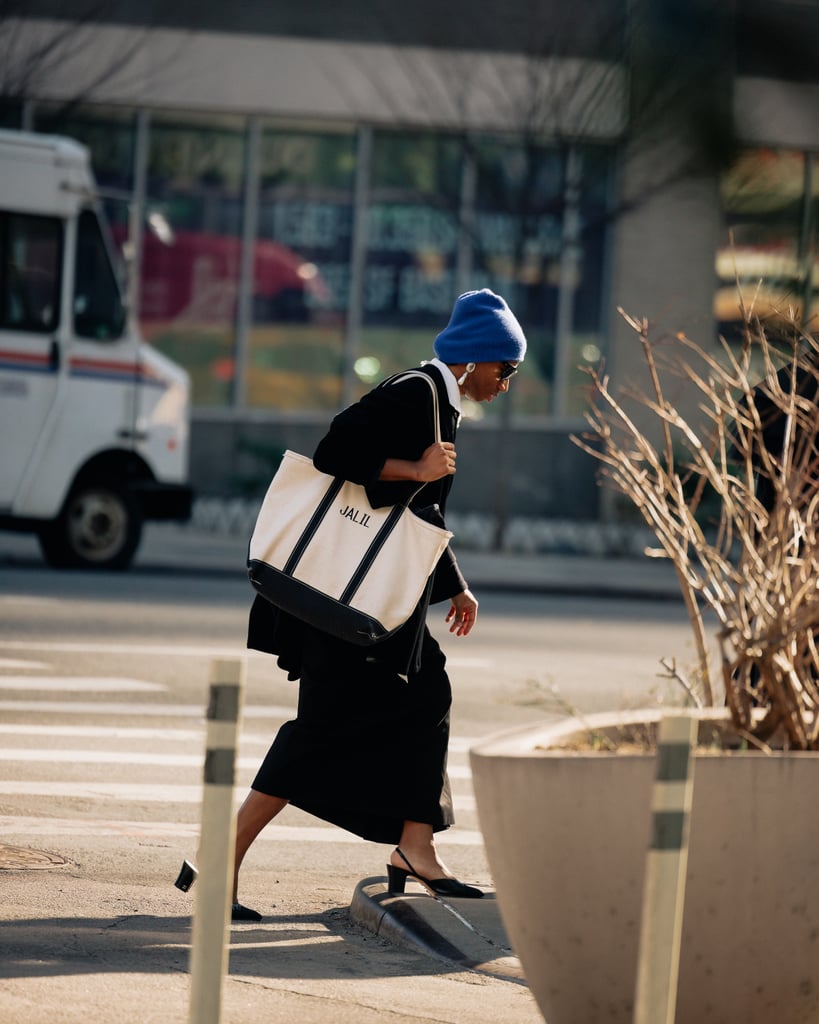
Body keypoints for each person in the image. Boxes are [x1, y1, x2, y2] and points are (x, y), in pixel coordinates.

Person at [175, 288, 527, 921]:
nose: (508, 382)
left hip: (373, 600)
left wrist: (455, 586)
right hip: (341, 600)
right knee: (324, 731)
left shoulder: (443, 409)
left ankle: (414, 847)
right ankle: (220, 856)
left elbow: (420, 517)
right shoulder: (415, 393)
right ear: (476, 359)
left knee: (425, 694)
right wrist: (412, 467)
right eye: (507, 368)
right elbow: (335, 452)